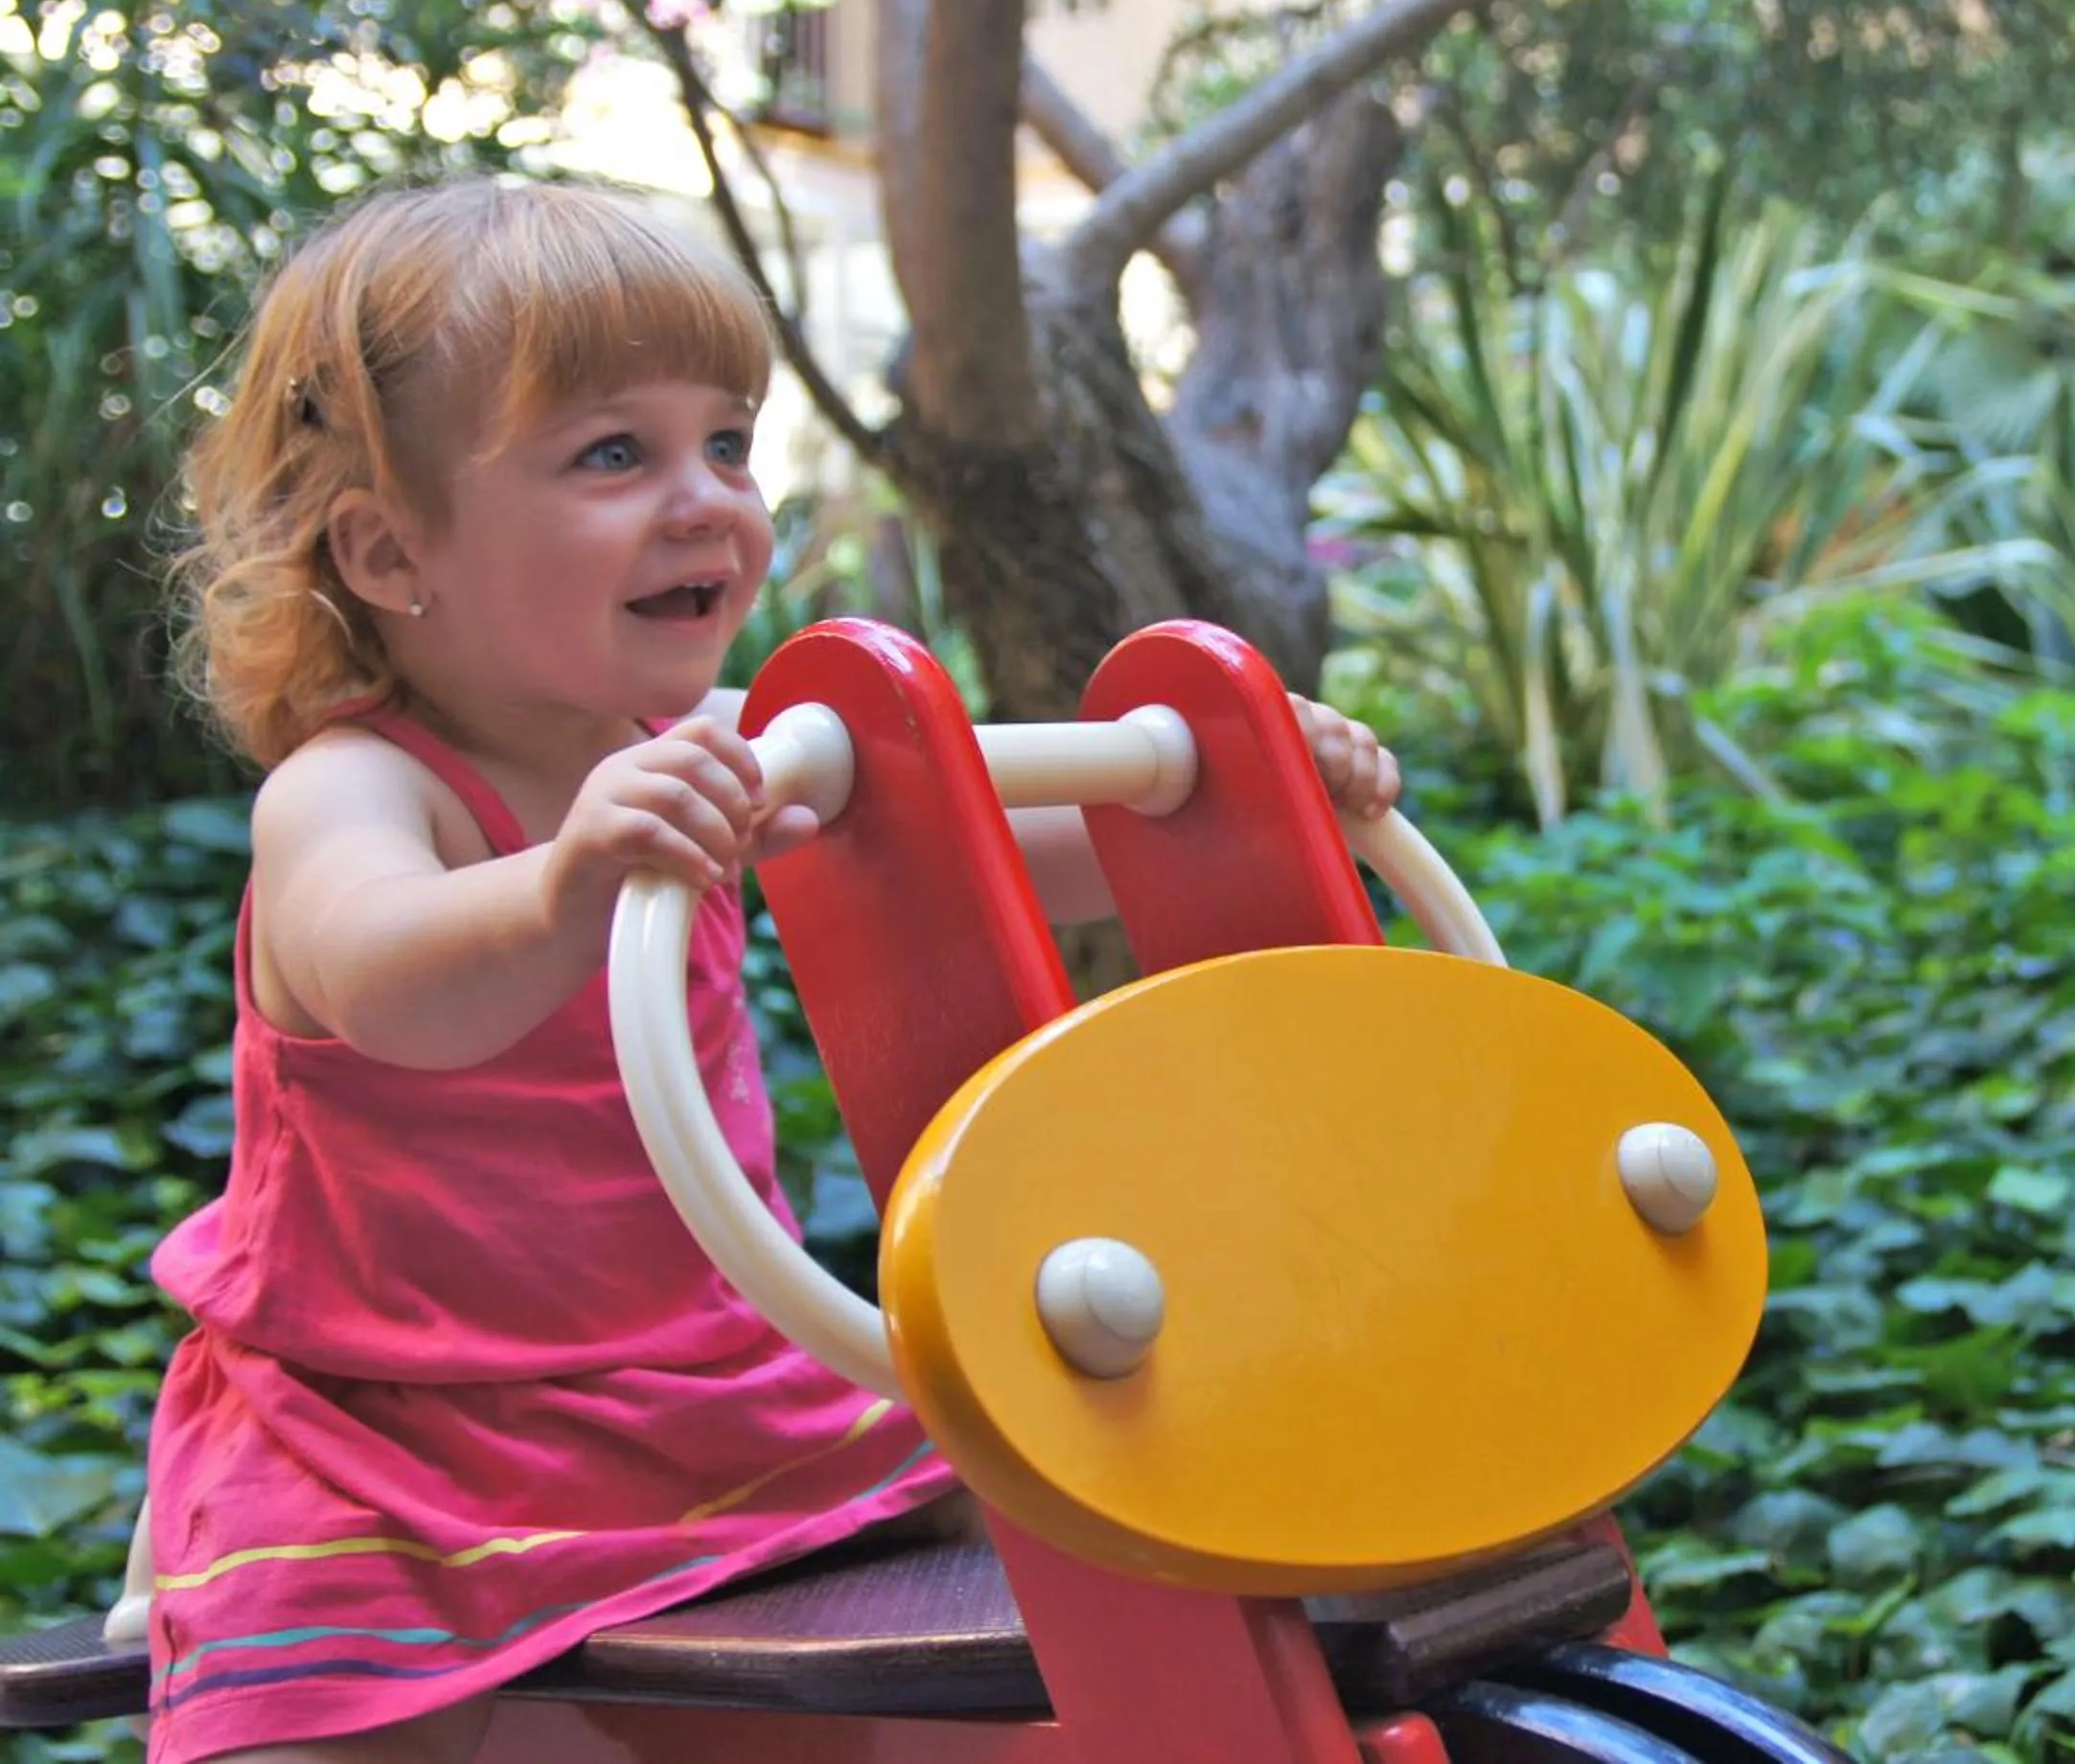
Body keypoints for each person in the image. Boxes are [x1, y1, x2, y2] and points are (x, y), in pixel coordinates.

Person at [144, 173, 1403, 1764]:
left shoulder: (715, 745)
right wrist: (565, 882)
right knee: (328, 1708)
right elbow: (379, 971)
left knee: (1058, 1488)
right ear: (395, 551)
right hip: (400, 1432)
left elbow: (980, 848)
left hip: (702, 1388)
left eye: (728, 443)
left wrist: (1230, 800)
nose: (708, 502)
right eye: (616, 453)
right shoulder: (356, 788)